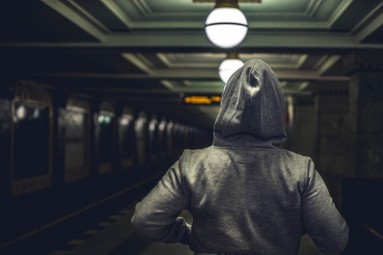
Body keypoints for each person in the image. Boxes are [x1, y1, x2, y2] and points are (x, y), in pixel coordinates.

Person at [131, 59, 349, 254]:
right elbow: (335, 240)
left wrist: (188, 235)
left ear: (226, 105)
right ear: (276, 110)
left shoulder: (192, 163)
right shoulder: (301, 169)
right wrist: (294, 226)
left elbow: (145, 220)